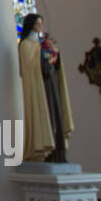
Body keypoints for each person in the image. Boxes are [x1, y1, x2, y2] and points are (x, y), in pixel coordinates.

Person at [19, 13, 74, 161]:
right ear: (31, 25)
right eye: (37, 24)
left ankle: (58, 153)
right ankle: (42, 150)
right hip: (39, 89)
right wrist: (45, 57)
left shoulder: (39, 44)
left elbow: (51, 64)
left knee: (56, 116)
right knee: (47, 114)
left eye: (40, 24)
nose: (39, 27)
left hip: (50, 85)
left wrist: (55, 56)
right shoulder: (26, 45)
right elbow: (30, 67)